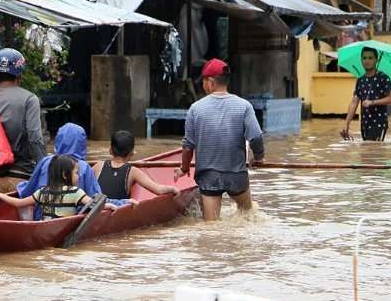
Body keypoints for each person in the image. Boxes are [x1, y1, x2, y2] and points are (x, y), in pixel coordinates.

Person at [174, 58, 265, 221]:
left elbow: (188, 146)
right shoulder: (244, 106)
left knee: (212, 227)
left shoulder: (195, 109)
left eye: (203, 81)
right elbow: (256, 138)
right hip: (236, 174)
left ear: (210, 82)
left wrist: (184, 168)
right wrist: (259, 158)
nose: (202, 85)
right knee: (248, 216)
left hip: (209, 177)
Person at [16, 123, 129, 219]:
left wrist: (21, 186)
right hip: (70, 218)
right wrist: (124, 202)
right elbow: (97, 199)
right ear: (82, 144)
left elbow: (27, 191)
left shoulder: (45, 161)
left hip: (42, 217)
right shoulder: (83, 167)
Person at [0, 48, 46, 197]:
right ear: (20, 74)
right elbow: (35, 138)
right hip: (21, 176)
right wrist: (44, 171)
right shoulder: (29, 99)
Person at [0, 155, 117, 219]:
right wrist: (109, 205)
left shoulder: (43, 192)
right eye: (76, 173)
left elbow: (18, 203)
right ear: (65, 175)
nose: (78, 177)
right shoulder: (76, 192)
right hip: (62, 229)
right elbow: (93, 204)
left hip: (44, 229)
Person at [94, 130, 180, 202]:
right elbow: (159, 190)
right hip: (116, 209)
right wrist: (173, 189)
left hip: (97, 208)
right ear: (131, 153)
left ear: (110, 150)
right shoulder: (133, 171)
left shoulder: (98, 166)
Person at [341, 46, 391, 141]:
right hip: (364, 124)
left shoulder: (383, 78)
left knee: (375, 152)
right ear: (361, 60)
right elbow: (354, 103)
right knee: (366, 153)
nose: (367, 61)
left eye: (370, 58)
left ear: (376, 60)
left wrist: (372, 102)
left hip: (379, 124)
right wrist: (346, 124)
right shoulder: (360, 80)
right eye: (364, 58)